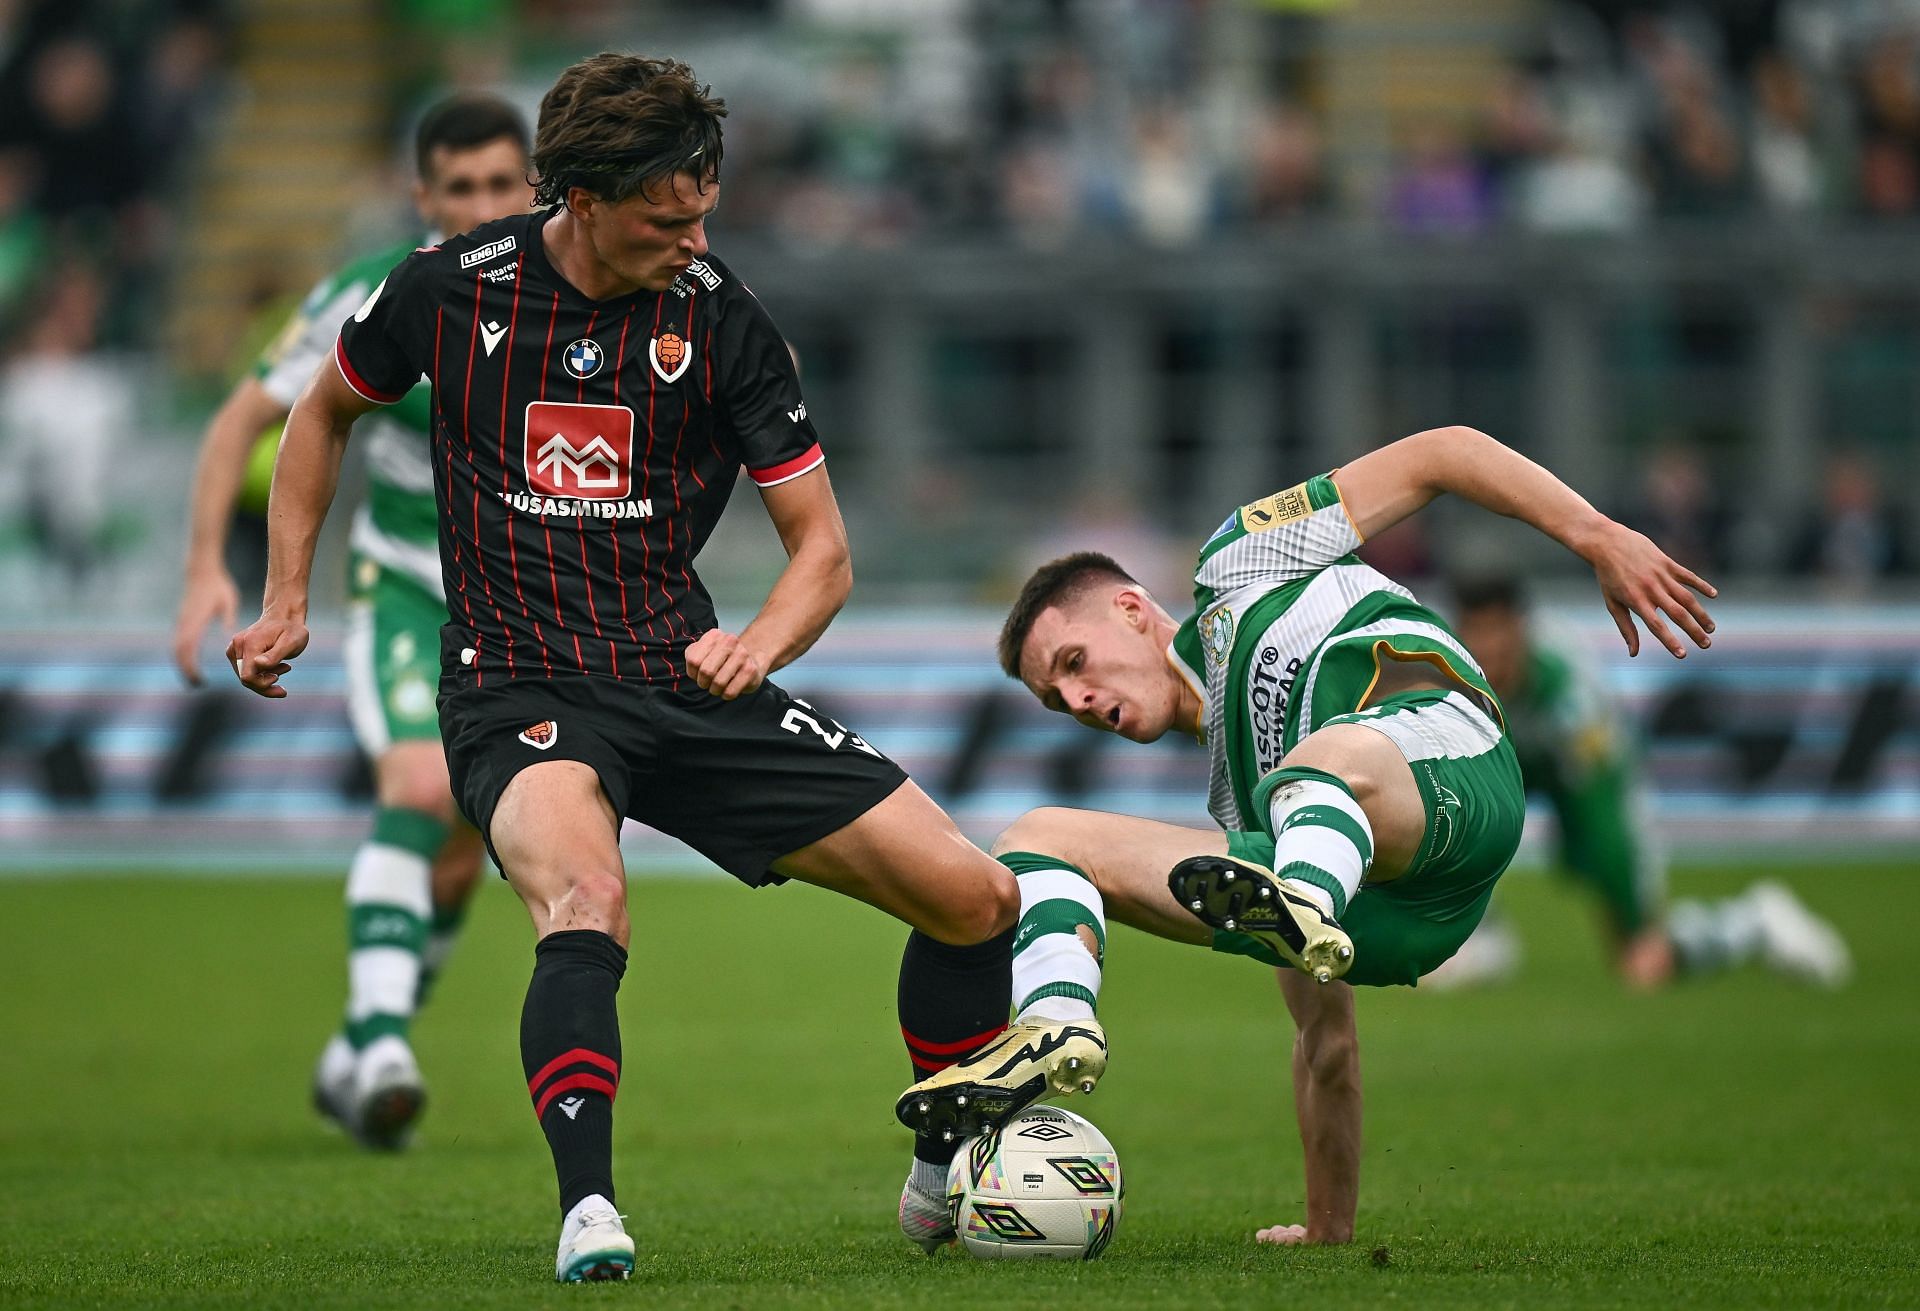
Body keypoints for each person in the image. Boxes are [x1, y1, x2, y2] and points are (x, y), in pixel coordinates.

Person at [224, 53, 1101, 1282]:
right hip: (517, 682)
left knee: (974, 899)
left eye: (705, 207)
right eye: (666, 214)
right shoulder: (447, 289)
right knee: (587, 902)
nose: (694, 233)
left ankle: (937, 1169)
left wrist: (760, 644)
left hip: (682, 676)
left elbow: (824, 553)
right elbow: (319, 414)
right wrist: (284, 599)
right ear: (578, 197)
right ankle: (589, 1210)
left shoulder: (724, 318)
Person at [987, 425, 1715, 1246]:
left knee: (1316, 765)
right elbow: (1325, 1046)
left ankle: (1302, 899)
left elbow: (1441, 453)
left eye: (1076, 662)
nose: (1078, 700)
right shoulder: (1239, 806)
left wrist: (1600, 534)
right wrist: (1328, 1230)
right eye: (1057, 698)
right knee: (1037, 833)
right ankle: (1057, 1019)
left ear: (1130, 607)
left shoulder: (1238, 561)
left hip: (1453, 773)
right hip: (1373, 909)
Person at [172, 95, 535, 1148]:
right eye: (458, 189)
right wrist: (209, 566)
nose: (480, 206)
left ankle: (357, 1052)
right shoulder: (382, 292)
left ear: (536, 189)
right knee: (420, 786)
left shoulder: (578, 296)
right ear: (424, 198)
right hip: (408, 585)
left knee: (467, 855)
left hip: (524, 606)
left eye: (500, 186)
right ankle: (381, 1042)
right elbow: (250, 412)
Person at [1436, 574, 1849, 990]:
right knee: (1450, 806)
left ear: (1519, 627)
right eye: (1474, 631)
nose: (1486, 646)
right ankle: (1480, 935)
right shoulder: (1446, 667)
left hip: (1587, 780)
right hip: (1504, 768)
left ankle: (1753, 923)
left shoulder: (1566, 688)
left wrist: (1625, 900)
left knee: (1641, 957)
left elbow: (1601, 803)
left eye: (1496, 630)